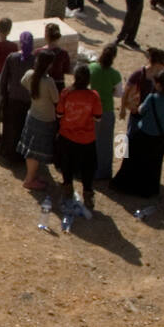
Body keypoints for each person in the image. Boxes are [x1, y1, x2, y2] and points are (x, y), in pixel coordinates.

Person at [112, 69, 164, 199]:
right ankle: (148, 190)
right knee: (153, 164)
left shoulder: (152, 98)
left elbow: (141, 111)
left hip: (146, 132)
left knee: (133, 160)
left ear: (158, 84)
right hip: (161, 136)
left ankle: (127, 186)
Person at [55, 64, 103, 214]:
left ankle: (67, 187)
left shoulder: (66, 93)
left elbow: (59, 114)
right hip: (87, 139)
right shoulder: (94, 96)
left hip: (67, 135)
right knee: (88, 167)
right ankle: (88, 194)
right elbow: (98, 117)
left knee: (67, 163)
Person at [17, 52, 60, 191]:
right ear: (48, 65)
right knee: (35, 152)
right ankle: (29, 180)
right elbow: (56, 100)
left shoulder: (30, 75)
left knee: (31, 149)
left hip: (33, 115)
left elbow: (23, 82)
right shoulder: (49, 82)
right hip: (45, 119)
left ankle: (31, 176)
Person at [0, 30, 36, 163]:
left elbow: (3, 79)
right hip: (27, 100)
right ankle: (20, 155)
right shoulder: (34, 60)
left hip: (12, 98)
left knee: (9, 127)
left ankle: (7, 152)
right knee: (22, 128)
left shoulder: (12, 57)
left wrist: (4, 94)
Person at [88, 44, 123, 181]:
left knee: (88, 139)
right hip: (106, 110)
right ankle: (102, 172)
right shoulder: (115, 74)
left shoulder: (92, 68)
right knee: (105, 142)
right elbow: (119, 93)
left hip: (91, 109)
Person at [38, 22, 73, 91]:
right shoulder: (63, 53)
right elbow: (67, 70)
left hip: (42, 85)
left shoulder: (38, 52)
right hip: (58, 85)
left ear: (46, 35)